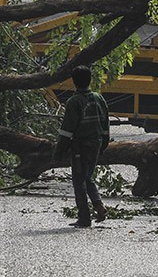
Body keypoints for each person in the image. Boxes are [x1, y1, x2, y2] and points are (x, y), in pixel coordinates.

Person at [52, 65, 110, 228]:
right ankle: (98, 205)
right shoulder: (99, 98)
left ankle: (84, 218)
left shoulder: (74, 102)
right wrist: (103, 144)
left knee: (79, 181)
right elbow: (106, 124)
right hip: (96, 143)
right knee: (87, 176)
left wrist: (58, 152)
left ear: (74, 81)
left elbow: (67, 130)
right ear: (90, 80)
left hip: (81, 146)